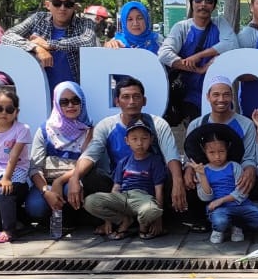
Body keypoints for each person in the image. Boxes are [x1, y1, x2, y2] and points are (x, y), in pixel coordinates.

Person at [68, 77, 186, 238]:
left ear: (144, 100)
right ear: (117, 101)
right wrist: (75, 178)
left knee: (175, 174)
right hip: (121, 186)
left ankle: (154, 218)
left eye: (136, 97)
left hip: (152, 186)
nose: (131, 101)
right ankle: (122, 220)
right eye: (126, 97)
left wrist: (178, 182)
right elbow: (90, 154)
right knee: (90, 175)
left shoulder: (157, 124)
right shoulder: (107, 125)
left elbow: (171, 156)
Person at [183, 76, 258, 230]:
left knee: (253, 182)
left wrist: (250, 169)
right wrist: (188, 169)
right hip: (205, 176)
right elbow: (190, 156)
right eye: (216, 95)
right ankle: (201, 218)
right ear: (208, 97)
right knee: (187, 179)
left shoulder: (245, 124)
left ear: (232, 96)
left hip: (233, 176)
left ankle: (234, 215)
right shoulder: (197, 124)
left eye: (226, 94)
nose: (221, 99)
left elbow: (249, 157)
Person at [26, 82, 112, 229]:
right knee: (35, 207)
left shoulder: (89, 130)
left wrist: (60, 181)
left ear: (82, 102)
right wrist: (46, 191)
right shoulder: (45, 130)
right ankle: (57, 219)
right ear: (56, 103)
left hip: (73, 180)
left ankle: (69, 220)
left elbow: (89, 162)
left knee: (70, 191)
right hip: (46, 181)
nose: (70, 105)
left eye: (75, 100)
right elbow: (35, 168)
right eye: (64, 102)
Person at [157, 0, 239, 126]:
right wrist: (198, 69)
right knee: (196, 133)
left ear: (214, 5)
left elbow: (232, 44)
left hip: (219, 95)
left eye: (208, 0)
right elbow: (164, 54)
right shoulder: (182, 28)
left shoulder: (220, 23)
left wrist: (199, 56)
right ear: (192, 3)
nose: (203, 4)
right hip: (190, 95)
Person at [1, 0, 97, 93]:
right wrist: (36, 48)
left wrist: (49, 44)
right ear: (47, 4)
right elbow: (6, 37)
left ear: (74, 7)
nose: (62, 8)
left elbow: (88, 40)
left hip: (72, 97)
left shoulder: (85, 23)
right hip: (37, 92)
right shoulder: (38, 19)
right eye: (57, 3)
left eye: (68, 4)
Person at [187, 124, 258, 244]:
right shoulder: (203, 170)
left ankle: (237, 224)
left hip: (240, 206)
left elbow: (242, 192)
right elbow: (206, 197)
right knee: (220, 222)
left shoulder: (234, 166)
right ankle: (219, 229)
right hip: (219, 209)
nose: (217, 156)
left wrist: (221, 200)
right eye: (212, 152)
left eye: (221, 151)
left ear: (228, 149)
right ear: (204, 151)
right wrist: (202, 175)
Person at [83, 119, 165, 240]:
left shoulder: (155, 161)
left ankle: (143, 226)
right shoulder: (123, 162)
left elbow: (159, 189)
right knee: (90, 202)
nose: (139, 143)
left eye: (144, 138)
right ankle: (124, 221)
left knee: (152, 210)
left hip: (143, 198)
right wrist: (108, 221)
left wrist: (158, 220)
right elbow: (116, 187)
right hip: (123, 197)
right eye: (134, 139)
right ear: (127, 141)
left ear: (151, 139)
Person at [0, 87, 31, 243]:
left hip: (16, 171)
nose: (4, 113)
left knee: (3, 191)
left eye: (9, 109)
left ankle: (9, 230)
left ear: (16, 111)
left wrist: (6, 178)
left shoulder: (22, 129)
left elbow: (13, 156)